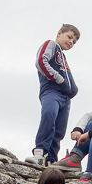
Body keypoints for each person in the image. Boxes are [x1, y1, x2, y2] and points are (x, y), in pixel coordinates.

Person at [25, 25, 80, 168]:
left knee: (59, 129)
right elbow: (41, 62)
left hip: (66, 97)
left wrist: (72, 89)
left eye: (74, 41)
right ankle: (40, 152)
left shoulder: (63, 56)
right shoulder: (51, 45)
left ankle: (51, 159)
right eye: (69, 37)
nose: (71, 42)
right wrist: (58, 79)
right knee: (49, 115)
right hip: (51, 91)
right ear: (59, 33)